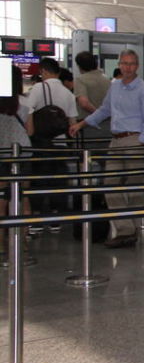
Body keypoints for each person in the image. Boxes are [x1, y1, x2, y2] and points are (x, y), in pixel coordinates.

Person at [69, 49, 144, 248]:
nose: (128, 67)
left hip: (135, 140)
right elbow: (104, 109)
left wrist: (143, 143)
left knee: (134, 187)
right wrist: (82, 123)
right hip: (116, 141)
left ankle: (131, 230)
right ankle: (126, 229)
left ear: (137, 66)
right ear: (119, 65)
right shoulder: (114, 86)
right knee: (110, 185)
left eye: (131, 63)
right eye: (124, 63)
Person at [24, 57, 78, 233]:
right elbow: (72, 122)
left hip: (41, 142)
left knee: (39, 180)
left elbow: (29, 111)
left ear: (43, 71)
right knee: (59, 180)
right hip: (61, 143)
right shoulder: (68, 93)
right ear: (58, 72)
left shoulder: (38, 88)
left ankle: (37, 220)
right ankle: (56, 219)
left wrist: (30, 133)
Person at [0, 65, 33, 257]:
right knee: (23, 197)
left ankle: (1, 244)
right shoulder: (25, 102)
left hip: (2, 154)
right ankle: (23, 242)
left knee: (1, 201)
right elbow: (31, 131)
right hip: (23, 154)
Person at [74, 51, 112, 143]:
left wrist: (98, 115)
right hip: (108, 125)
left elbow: (84, 103)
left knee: (88, 151)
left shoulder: (80, 80)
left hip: (88, 126)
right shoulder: (107, 80)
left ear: (79, 66)